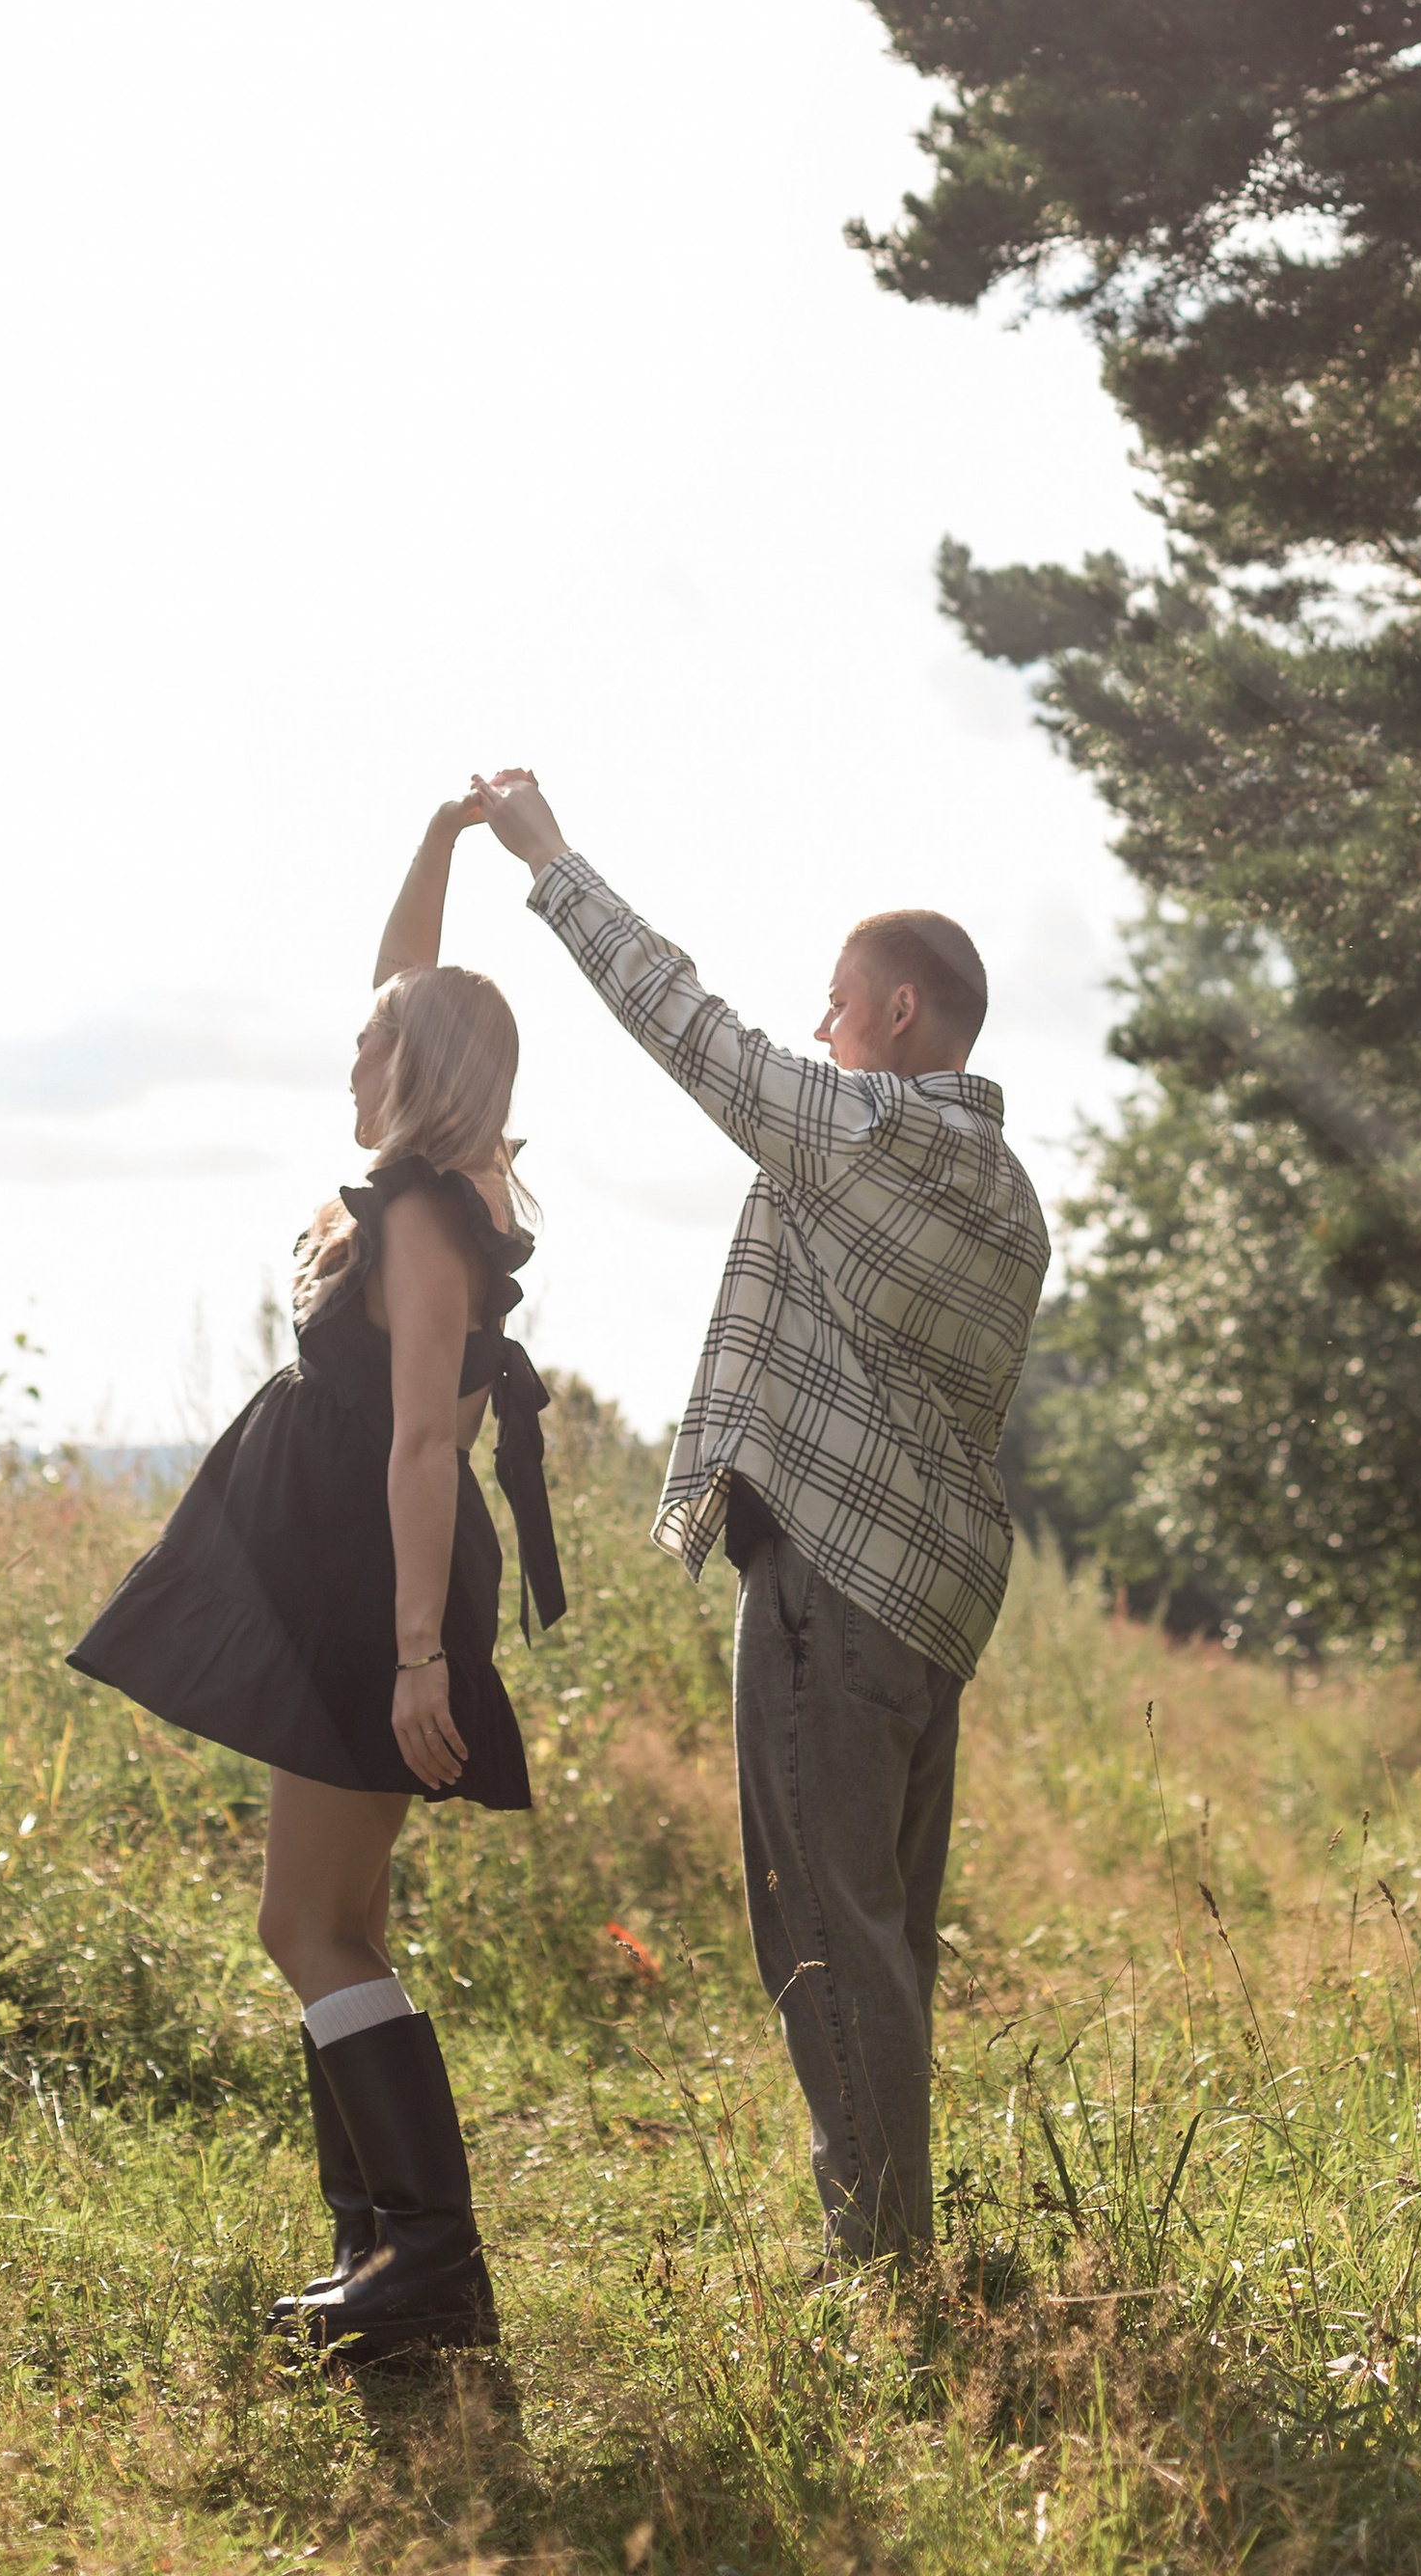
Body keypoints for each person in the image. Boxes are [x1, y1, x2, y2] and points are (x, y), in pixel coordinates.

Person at [471, 766, 1049, 2266]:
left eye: (842, 1006)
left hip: (833, 1594)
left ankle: (884, 2277)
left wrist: (551, 859)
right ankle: (904, 2254)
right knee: (888, 1944)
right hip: (933, 1611)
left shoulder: (865, 1131)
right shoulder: (1011, 1189)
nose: (822, 1029)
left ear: (903, 1017)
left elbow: (693, 1031)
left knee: (824, 1942)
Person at [66, 794, 564, 2363]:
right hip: (363, 1582)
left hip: (375, 1590)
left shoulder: (421, 1217)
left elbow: (426, 1447)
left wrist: (420, 1662)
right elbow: (406, 987)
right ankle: (380, 2250)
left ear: (417, 1076)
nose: (348, 1064)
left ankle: (428, 2265)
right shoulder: (452, 1173)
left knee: (307, 1926)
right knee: (336, 1923)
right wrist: (435, 844)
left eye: (372, 1049)